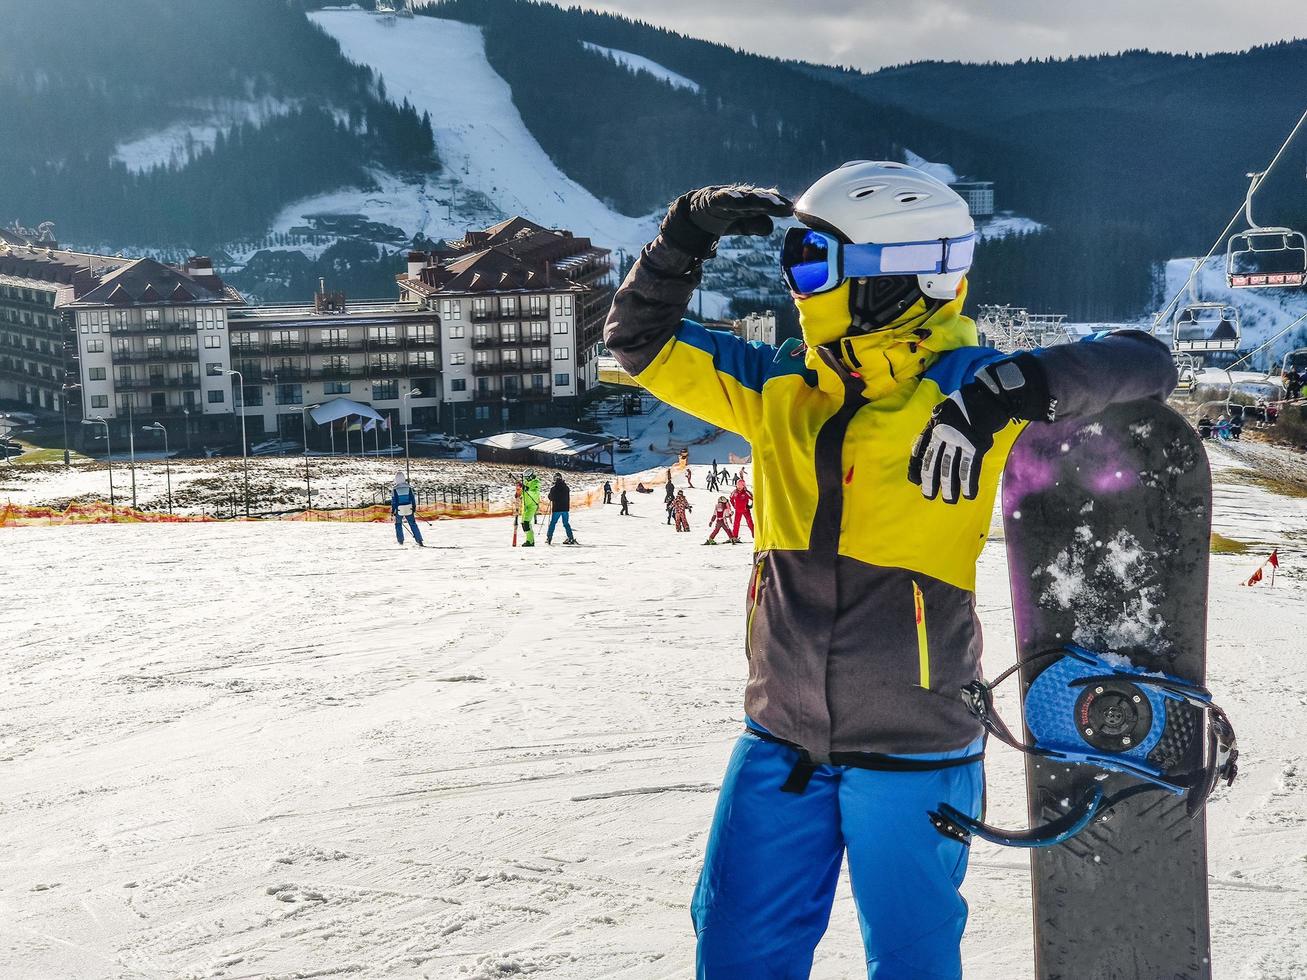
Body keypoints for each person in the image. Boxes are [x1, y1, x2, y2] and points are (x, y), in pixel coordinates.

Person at [603, 165, 1178, 979]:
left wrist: (1004, 394)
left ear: (886, 276)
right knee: (734, 952)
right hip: (779, 745)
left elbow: (1147, 362)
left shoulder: (965, 391)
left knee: (910, 963)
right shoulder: (777, 388)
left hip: (914, 754)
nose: (793, 285)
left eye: (809, 260)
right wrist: (682, 236)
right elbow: (638, 343)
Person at [391, 471, 424, 547]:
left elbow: (394, 501)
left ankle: (400, 541)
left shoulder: (395, 489)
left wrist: (393, 511)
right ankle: (419, 540)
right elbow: (412, 498)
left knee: (398, 524)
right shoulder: (409, 487)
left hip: (399, 509)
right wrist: (414, 507)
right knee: (413, 524)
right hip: (409, 508)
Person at [547, 472, 578, 545]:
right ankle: (570, 537)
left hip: (557, 509)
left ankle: (549, 537)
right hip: (565, 509)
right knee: (566, 524)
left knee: (553, 523)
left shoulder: (553, 488)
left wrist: (550, 495)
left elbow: (551, 497)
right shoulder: (566, 487)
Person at [519, 472, 541, 547]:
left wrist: (527, 490)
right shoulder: (526, 482)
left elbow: (535, 493)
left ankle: (530, 541)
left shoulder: (536, 482)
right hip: (525, 505)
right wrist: (520, 494)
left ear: (531, 476)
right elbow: (524, 492)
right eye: (525, 477)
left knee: (526, 523)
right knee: (523, 524)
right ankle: (529, 539)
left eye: (527, 477)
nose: (526, 479)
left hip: (532, 505)